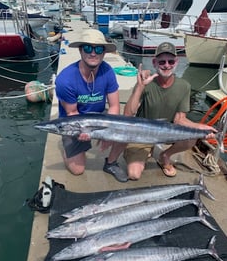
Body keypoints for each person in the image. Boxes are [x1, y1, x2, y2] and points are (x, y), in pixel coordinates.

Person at [123, 41, 217, 180]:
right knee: (134, 174)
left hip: (168, 133)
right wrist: (140, 86)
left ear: (176, 62)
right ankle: (145, 149)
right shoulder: (146, 83)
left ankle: (165, 155)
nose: (166, 65)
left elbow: (180, 119)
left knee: (192, 135)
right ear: (155, 63)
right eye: (162, 62)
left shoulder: (184, 86)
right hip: (143, 133)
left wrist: (201, 127)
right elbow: (128, 114)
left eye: (170, 61)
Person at [55, 28, 128, 182]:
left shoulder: (107, 71)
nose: (93, 53)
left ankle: (111, 162)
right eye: (88, 48)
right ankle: (67, 147)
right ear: (81, 50)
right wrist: (84, 131)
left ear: (104, 52)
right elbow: (72, 114)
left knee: (127, 126)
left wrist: (108, 132)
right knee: (78, 170)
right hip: (74, 122)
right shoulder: (65, 80)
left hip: (100, 116)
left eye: (98, 49)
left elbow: (114, 106)